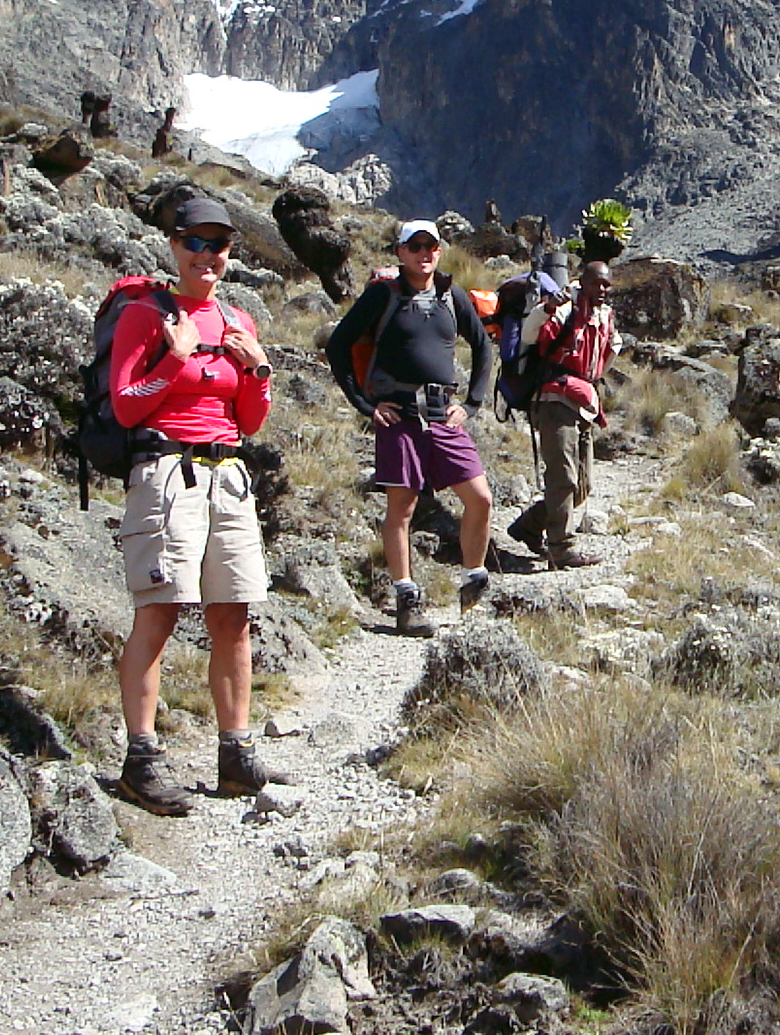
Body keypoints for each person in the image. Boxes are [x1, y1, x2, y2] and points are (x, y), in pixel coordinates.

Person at [108, 197, 287, 815]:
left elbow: (250, 420)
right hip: (165, 473)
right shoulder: (144, 315)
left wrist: (257, 369)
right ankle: (141, 758)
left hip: (228, 473)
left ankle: (234, 752)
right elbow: (129, 405)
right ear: (174, 246)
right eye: (196, 244)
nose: (208, 256)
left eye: (220, 245)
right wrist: (177, 356)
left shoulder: (238, 319)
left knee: (233, 615)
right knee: (160, 612)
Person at [325, 220, 496, 635]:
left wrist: (472, 404)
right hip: (398, 414)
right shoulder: (382, 296)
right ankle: (406, 597)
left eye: (431, 246)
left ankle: (473, 581)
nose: (424, 253)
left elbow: (483, 345)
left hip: (442, 413)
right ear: (400, 252)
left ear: (440, 251)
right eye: (415, 246)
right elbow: (338, 345)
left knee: (480, 499)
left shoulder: (451, 296)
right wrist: (365, 405)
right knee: (401, 508)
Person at [520, 259, 617, 568]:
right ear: (583, 282)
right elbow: (528, 335)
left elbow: (610, 350)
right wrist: (546, 308)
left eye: (606, 284)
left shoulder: (604, 316)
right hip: (555, 400)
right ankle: (561, 548)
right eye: (596, 283)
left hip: (584, 402)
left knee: (582, 484)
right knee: (563, 477)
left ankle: (529, 525)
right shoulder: (564, 309)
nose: (601, 289)